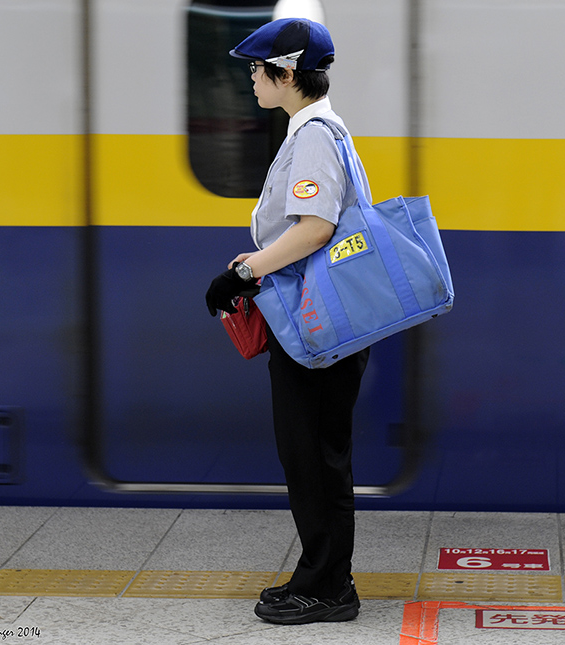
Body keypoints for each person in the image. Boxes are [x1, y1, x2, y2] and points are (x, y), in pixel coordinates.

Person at [204, 17, 371, 625]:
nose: (251, 77)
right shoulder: (315, 130)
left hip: (316, 328)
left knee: (313, 455)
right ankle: (322, 576)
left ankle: (328, 589)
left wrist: (243, 276)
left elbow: (315, 228)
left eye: (258, 68)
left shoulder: (314, 136)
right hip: (317, 320)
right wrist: (255, 261)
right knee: (314, 453)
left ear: (288, 73)